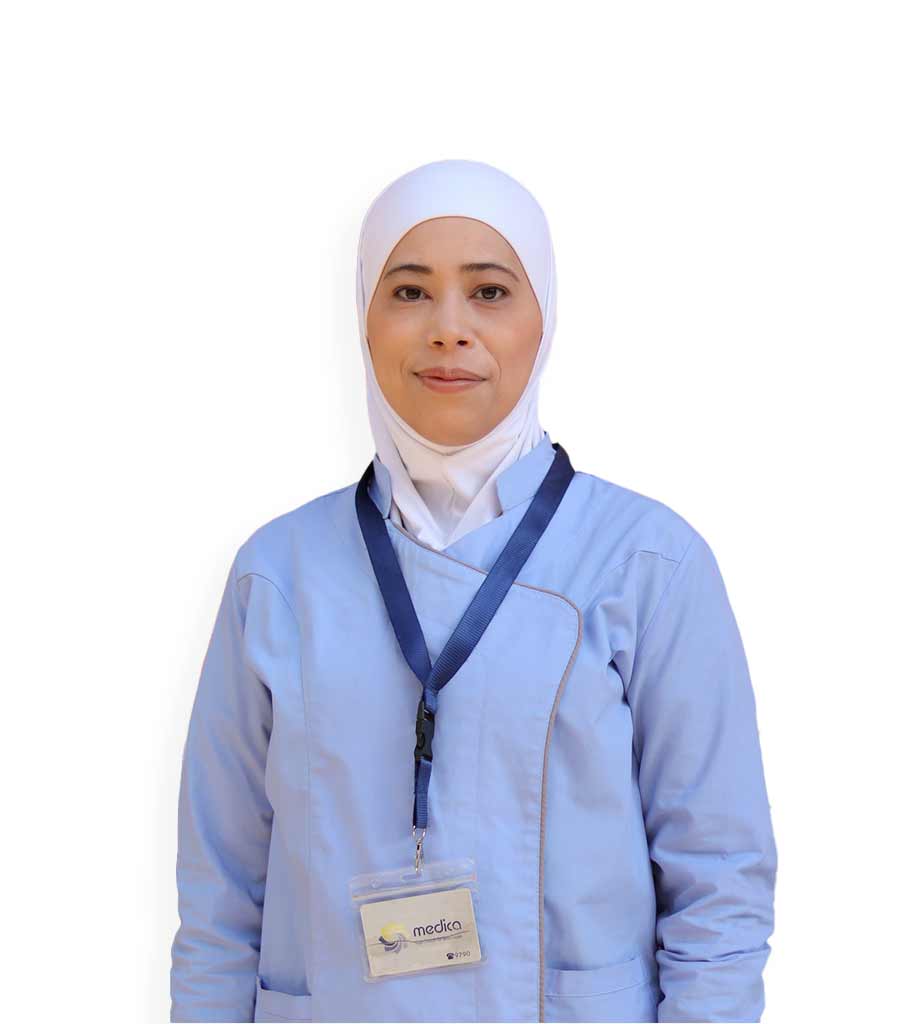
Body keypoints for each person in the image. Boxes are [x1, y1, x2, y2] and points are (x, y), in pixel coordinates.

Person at [169, 159, 777, 1023]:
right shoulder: (278, 574)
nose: (448, 330)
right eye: (409, 292)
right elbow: (220, 894)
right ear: (363, 318)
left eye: (489, 292)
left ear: (543, 319)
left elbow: (718, 881)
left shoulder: (646, 562)